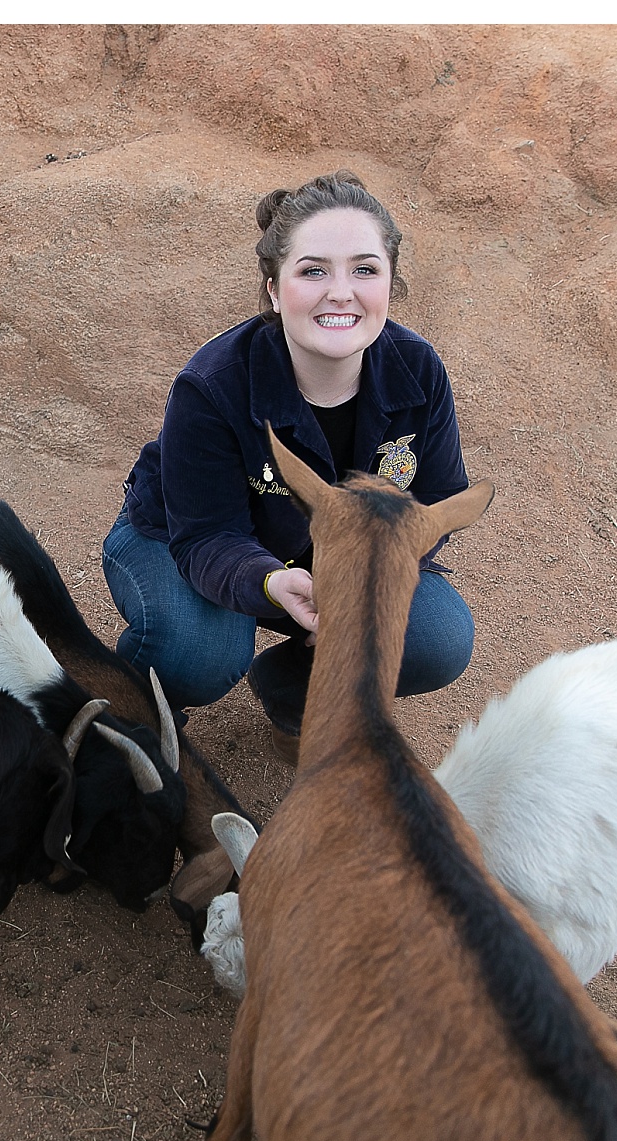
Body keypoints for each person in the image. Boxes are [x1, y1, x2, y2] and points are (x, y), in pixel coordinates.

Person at [102, 171, 475, 754]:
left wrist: (362, 579)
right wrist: (272, 582)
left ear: (390, 284)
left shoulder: (418, 370)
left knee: (435, 637)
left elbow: (433, 502)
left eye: (365, 269)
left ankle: (289, 690)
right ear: (274, 290)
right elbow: (206, 534)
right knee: (202, 652)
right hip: (179, 538)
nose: (341, 291)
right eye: (313, 270)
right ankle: (134, 714)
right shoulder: (213, 385)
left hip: (321, 561)